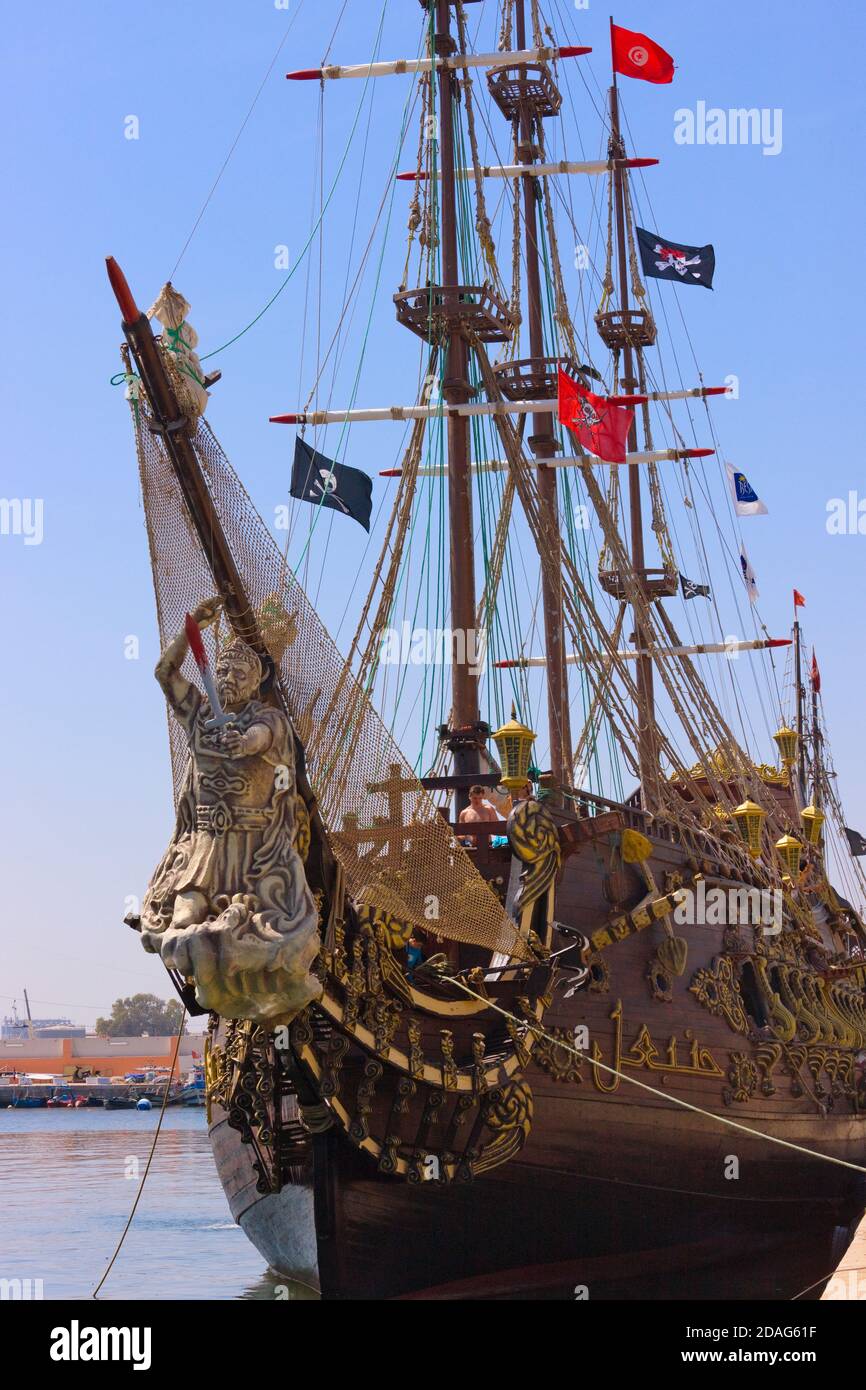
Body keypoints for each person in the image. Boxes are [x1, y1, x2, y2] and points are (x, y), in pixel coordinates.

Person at [139, 595, 321, 1023]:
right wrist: (190, 632)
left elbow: (261, 737)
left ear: (255, 683)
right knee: (181, 925)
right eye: (222, 671)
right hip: (204, 849)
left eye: (239, 673)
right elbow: (164, 673)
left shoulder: (270, 720)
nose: (228, 678)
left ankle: (258, 979)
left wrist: (243, 742)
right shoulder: (201, 716)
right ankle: (215, 981)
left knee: (261, 933)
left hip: (252, 851)